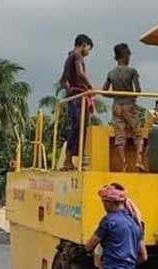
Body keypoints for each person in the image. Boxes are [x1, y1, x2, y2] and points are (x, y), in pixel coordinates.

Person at [103, 43, 144, 172]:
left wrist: (116, 96)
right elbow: (138, 90)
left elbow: (104, 91)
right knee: (138, 134)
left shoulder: (111, 73)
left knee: (119, 136)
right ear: (126, 56)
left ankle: (124, 163)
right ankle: (138, 160)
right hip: (129, 105)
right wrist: (131, 96)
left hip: (116, 106)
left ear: (116, 57)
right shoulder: (132, 71)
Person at [59, 34, 95, 171]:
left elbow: (63, 80)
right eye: (88, 49)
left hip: (74, 95)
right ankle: (69, 160)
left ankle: (69, 160)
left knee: (75, 127)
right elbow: (80, 73)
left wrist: (70, 90)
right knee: (78, 127)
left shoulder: (69, 58)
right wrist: (90, 87)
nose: (88, 53)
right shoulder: (77, 56)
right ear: (83, 45)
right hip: (79, 97)